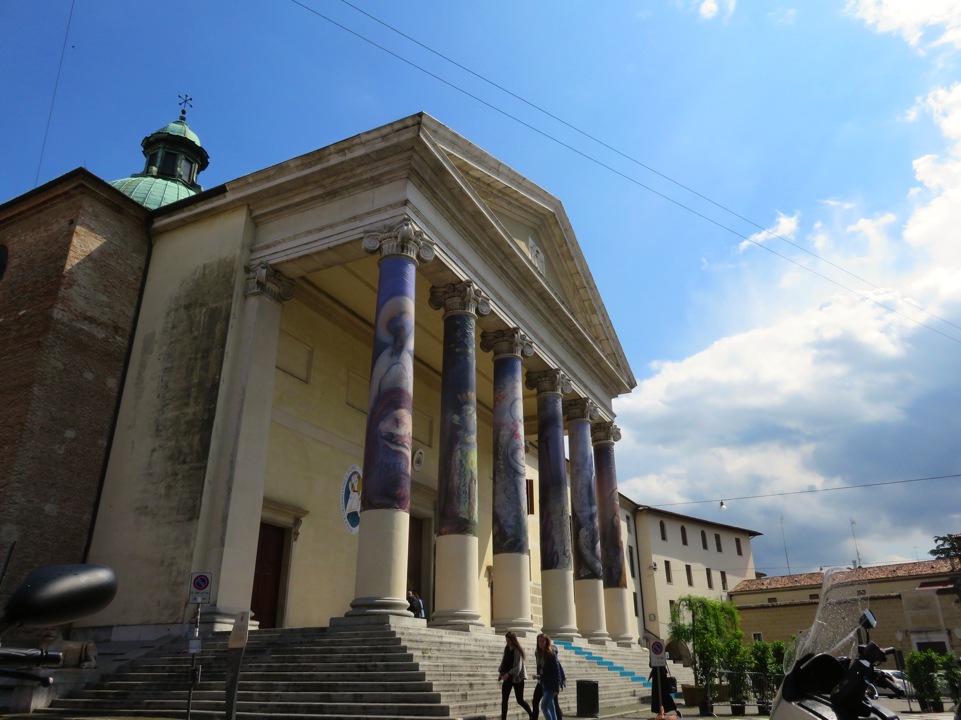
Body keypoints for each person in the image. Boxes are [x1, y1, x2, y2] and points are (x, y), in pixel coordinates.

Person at [498, 631, 533, 720]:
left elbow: (518, 667)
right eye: (507, 640)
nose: (508, 642)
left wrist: (508, 673)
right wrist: (501, 672)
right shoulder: (506, 649)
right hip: (507, 678)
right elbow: (504, 661)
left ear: (513, 640)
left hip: (517, 679)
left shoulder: (517, 651)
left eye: (509, 640)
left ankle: (531, 715)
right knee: (504, 700)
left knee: (520, 700)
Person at [532, 633, 564, 720]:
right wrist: (538, 676)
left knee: (544, 706)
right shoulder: (538, 653)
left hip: (551, 684)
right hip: (543, 683)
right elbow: (542, 671)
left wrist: (557, 687)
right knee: (551, 707)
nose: (541, 643)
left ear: (547, 641)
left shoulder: (551, 654)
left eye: (543, 641)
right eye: (539, 641)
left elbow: (556, 671)